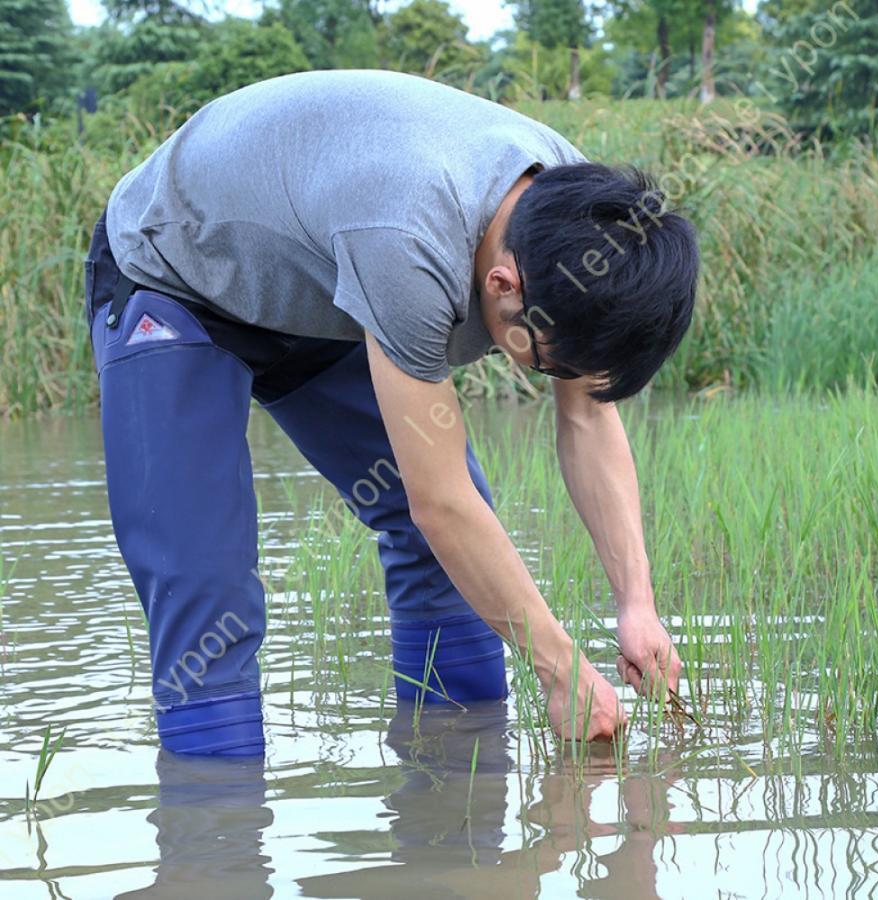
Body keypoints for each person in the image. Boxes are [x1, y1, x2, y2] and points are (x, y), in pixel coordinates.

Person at [83, 68, 698, 756]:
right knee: (206, 604)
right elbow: (441, 502)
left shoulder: (587, 225)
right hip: (174, 273)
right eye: (545, 363)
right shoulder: (410, 240)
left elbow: (586, 419)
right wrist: (559, 667)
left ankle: (453, 828)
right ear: (503, 285)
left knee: (450, 560)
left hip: (322, 280)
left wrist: (635, 605)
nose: (553, 379)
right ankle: (213, 845)